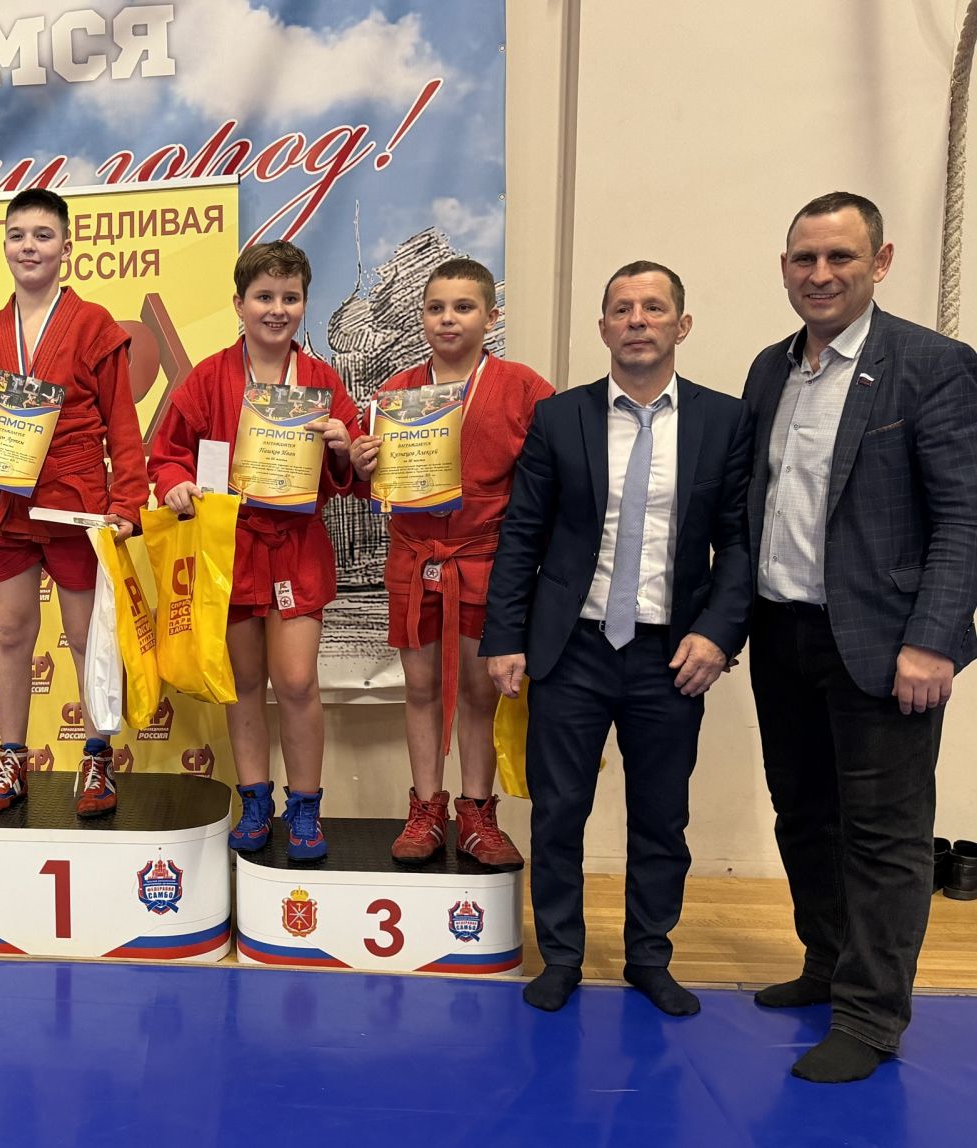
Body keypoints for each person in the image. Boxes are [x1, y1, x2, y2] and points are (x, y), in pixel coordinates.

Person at [742, 192, 977, 1083]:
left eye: (840, 257)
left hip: (887, 644)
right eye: (804, 258)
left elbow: (964, 517)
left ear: (879, 263)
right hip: (784, 631)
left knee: (884, 836)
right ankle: (827, 961)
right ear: (785, 268)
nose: (821, 274)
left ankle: (872, 1018)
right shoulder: (770, 370)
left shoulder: (932, 366)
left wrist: (935, 639)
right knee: (803, 813)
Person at [482, 262, 753, 1016]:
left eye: (654, 307)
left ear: (681, 325)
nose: (637, 320)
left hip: (673, 656)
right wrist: (505, 637)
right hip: (571, 649)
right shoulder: (559, 418)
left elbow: (740, 545)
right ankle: (562, 956)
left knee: (662, 816)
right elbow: (522, 534)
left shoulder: (724, 421)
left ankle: (649, 957)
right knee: (558, 811)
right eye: (622, 308)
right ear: (602, 327)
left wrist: (718, 635)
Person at [149, 241, 362, 860]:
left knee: (295, 681)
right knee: (245, 683)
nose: (277, 309)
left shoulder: (322, 381)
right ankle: (254, 801)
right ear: (239, 304)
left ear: (304, 304)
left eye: (290, 297)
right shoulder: (208, 377)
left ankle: (306, 806)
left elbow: (355, 466)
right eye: (264, 297)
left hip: (295, 548)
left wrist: (344, 445)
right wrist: (175, 483)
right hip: (231, 548)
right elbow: (166, 454)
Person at [0, 189, 147, 818]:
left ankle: (96, 759)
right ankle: (12, 760)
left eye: (42, 235)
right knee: (11, 631)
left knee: (86, 636)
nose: (28, 246)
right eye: (17, 235)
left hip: (75, 503)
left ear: (66, 247)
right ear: (3, 245)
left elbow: (123, 424)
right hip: (8, 505)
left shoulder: (93, 324)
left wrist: (127, 503)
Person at [348, 258, 553, 866]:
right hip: (415, 559)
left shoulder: (524, 388)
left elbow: (548, 481)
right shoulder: (395, 393)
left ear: (492, 316)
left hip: (485, 559)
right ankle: (426, 809)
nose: (448, 319)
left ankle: (477, 813)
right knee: (419, 688)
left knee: (478, 693)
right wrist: (360, 465)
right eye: (436, 308)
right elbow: (370, 485)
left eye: (463, 307)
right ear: (422, 317)